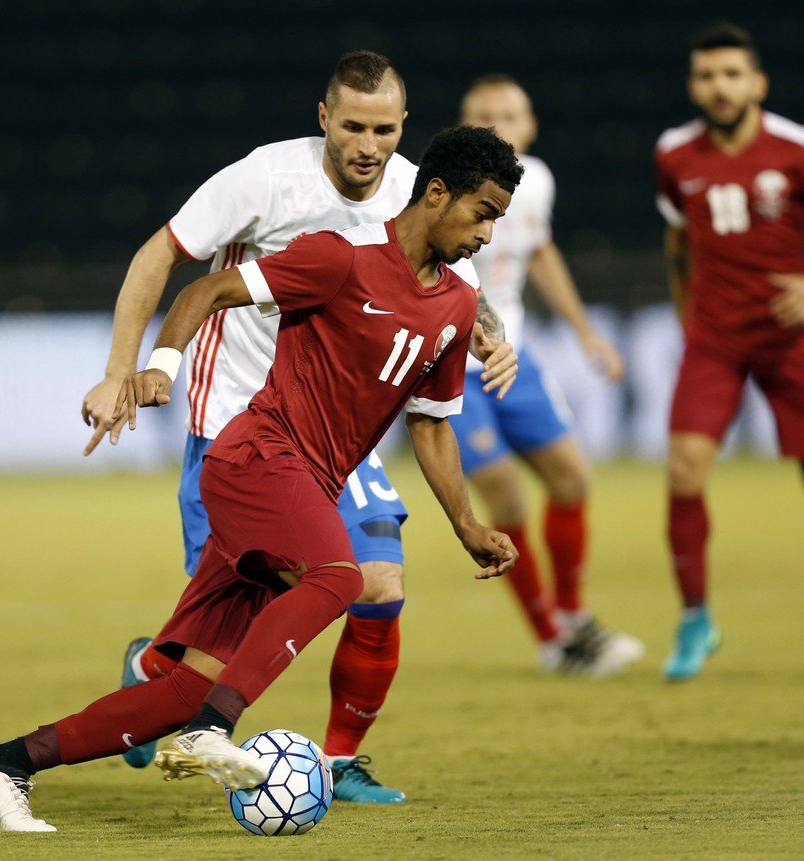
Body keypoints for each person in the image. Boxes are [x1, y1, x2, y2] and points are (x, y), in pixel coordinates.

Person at [0, 124, 523, 833]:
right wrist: (159, 366)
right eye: (482, 213)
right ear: (436, 193)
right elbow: (208, 289)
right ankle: (213, 727)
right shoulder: (339, 258)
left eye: (497, 219)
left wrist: (467, 524)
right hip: (257, 456)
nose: (487, 234)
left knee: (182, 687)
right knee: (340, 578)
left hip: (304, 486)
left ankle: (6, 763)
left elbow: (431, 423)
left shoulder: (457, 304)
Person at [79, 51, 514, 802]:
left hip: (337, 434)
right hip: (238, 420)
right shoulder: (266, 178)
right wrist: (125, 368)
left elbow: (462, 289)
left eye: (383, 130)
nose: (368, 146)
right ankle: (154, 669)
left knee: (377, 583)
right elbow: (163, 256)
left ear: (403, 127)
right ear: (324, 119)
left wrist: (491, 335)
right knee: (234, 628)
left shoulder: (423, 190)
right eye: (352, 127)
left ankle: (337, 763)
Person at [654, 23, 804, 681]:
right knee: (683, 471)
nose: (720, 87)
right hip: (714, 341)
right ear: (693, 86)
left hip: (790, 341)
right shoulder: (673, 154)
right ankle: (695, 620)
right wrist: (686, 318)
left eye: (732, 74)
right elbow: (677, 245)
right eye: (707, 75)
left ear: (757, 83)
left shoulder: (799, 147)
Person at [456, 75, 643, 675]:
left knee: (572, 478)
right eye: (484, 117)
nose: (498, 127)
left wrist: (586, 333)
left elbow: (538, 252)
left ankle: (571, 614)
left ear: (531, 126)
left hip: (514, 355)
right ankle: (551, 641)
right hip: (451, 367)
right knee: (504, 492)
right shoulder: (438, 190)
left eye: (509, 115)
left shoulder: (535, 182)